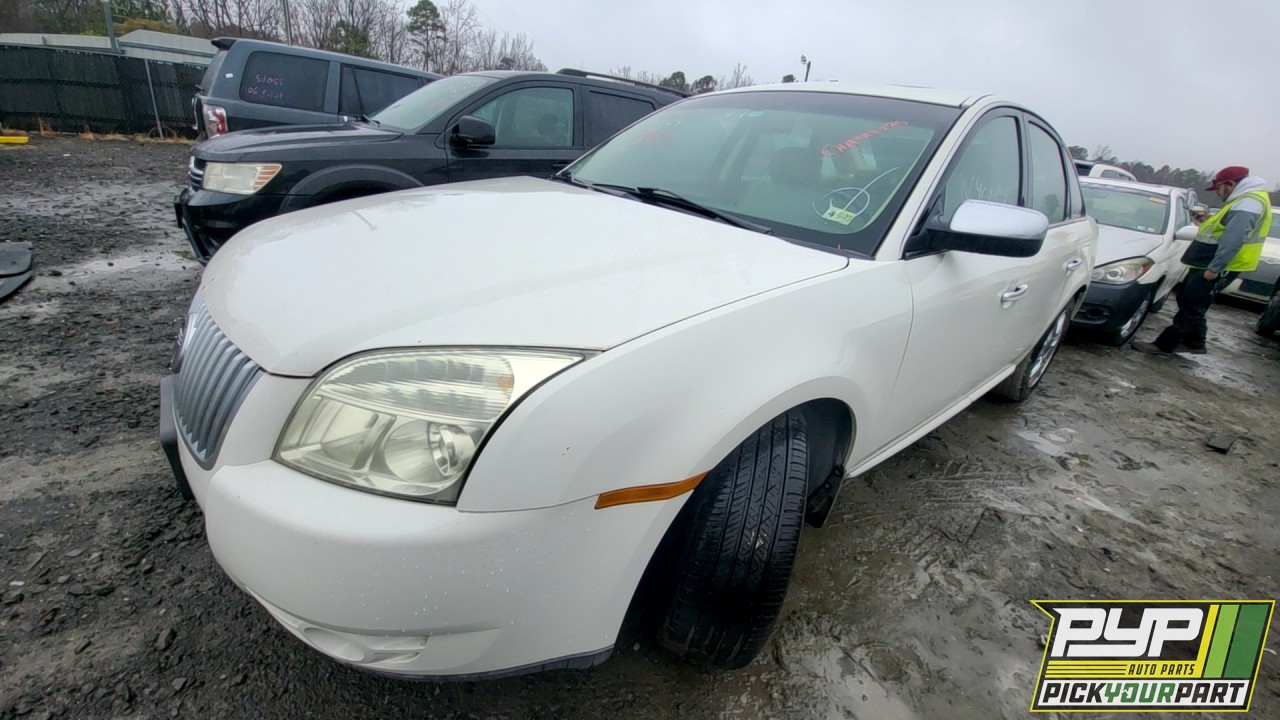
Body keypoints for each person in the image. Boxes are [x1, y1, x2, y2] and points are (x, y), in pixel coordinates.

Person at [1139, 166, 1273, 355]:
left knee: (1193, 304)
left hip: (1218, 264)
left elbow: (1234, 238)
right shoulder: (1244, 200)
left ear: (1230, 184)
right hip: (1209, 261)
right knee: (1189, 299)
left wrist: (1215, 268)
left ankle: (1165, 345)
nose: (1218, 193)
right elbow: (1223, 229)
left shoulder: (1249, 202)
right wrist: (1205, 221)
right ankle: (1195, 342)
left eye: (1219, 188)